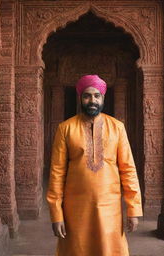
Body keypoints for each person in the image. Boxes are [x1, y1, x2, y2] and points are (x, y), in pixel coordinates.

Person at [47, 74, 143, 256]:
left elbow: (128, 169)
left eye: (97, 96)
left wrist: (133, 209)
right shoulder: (65, 128)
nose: (92, 100)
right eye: (87, 96)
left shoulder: (117, 127)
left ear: (103, 98)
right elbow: (56, 173)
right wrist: (56, 215)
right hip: (75, 209)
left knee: (109, 249)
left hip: (110, 207)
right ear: (80, 98)